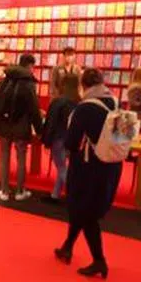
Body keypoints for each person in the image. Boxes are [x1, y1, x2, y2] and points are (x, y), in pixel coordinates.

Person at [54, 68, 123, 279]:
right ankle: (67, 246)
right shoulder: (115, 102)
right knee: (81, 209)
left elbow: (72, 142)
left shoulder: (84, 108)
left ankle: (99, 260)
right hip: (111, 163)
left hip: (88, 167)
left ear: (83, 85)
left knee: (85, 212)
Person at [0, 54, 44, 202]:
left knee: (4, 157)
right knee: (21, 158)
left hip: (3, 125)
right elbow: (34, 109)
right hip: (21, 125)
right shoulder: (28, 84)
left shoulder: (4, 81)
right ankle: (20, 191)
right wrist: (39, 130)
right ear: (30, 66)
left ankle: (4, 190)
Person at [42, 73, 80, 203]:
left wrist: (46, 140)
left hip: (58, 138)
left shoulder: (58, 101)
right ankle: (55, 194)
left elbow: (51, 123)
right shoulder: (78, 101)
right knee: (63, 167)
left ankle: (76, 197)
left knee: (62, 168)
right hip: (71, 139)